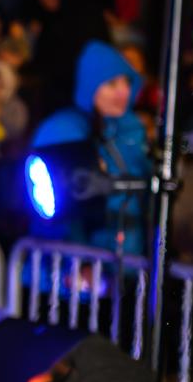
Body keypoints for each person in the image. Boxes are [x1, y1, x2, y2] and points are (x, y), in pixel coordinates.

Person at [30, 40, 151, 255]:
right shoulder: (66, 130)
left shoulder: (130, 130)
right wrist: (77, 259)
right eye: (112, 84)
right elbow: (60, 203)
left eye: (127, 82)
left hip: (129, 254)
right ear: (91, 86)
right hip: (81, 262)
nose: (123, 92)